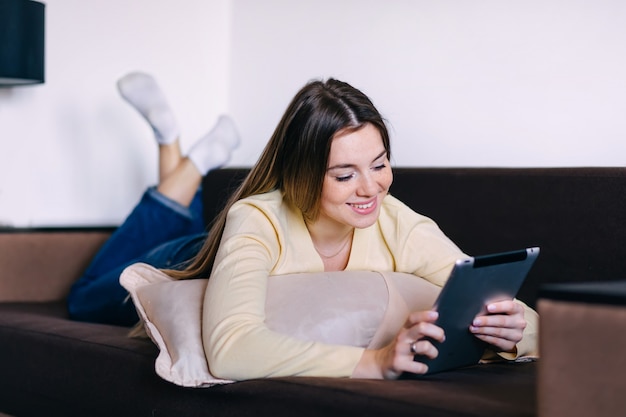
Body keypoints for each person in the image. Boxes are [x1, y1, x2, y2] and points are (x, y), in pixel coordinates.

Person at [164, 78, 538, 380]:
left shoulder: (397, 222)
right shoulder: (256, 220)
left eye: (379, 165)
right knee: (107, 275)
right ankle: (179, 164)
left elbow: (532, 321)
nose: (370, 188)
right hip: (181, 255)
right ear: (300, 176)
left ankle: (182, 167)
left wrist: (514, 332)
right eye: (345, 175)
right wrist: (373, 362)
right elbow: (231, 351)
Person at [67, 72, 239, 326]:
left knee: (81, 300)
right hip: (201, 251)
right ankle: (183, 152)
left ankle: (186, 154)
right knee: (173, 237)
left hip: (198, 254)